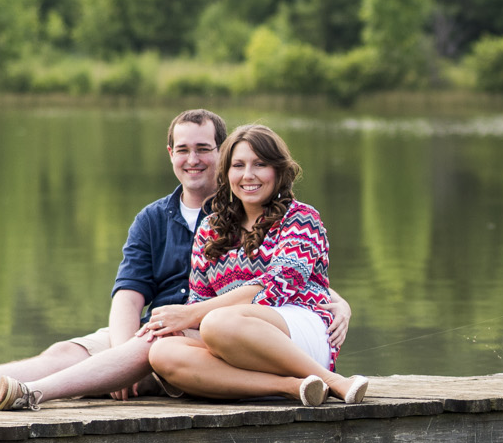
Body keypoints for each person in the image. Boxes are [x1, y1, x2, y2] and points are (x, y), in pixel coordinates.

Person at [0, 110, 350, 410]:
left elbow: (287, 280)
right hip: (161, 329)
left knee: (152, 345)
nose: (194, 160)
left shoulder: (270, 211)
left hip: (202, 330)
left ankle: (26, 394)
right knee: (67, 351)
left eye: (205, 150)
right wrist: (125, 349)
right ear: (170, 156)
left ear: (220, 155)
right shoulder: (159, 220)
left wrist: (337, 301)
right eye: (183, 150)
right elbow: (128, 297)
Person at [142, 123, 371, 406]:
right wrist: (180, 325)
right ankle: (292, 386)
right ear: (226, 173)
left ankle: (333, 380)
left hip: (298, 326)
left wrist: (193, 316)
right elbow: (199, 301)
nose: (248, 175)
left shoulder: (301, 218)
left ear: (278, 170)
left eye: (260, 164)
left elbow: (275, 287)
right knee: (164, 353)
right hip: (232, 339)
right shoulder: (210, 230)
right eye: (238, 165)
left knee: (217, 322)